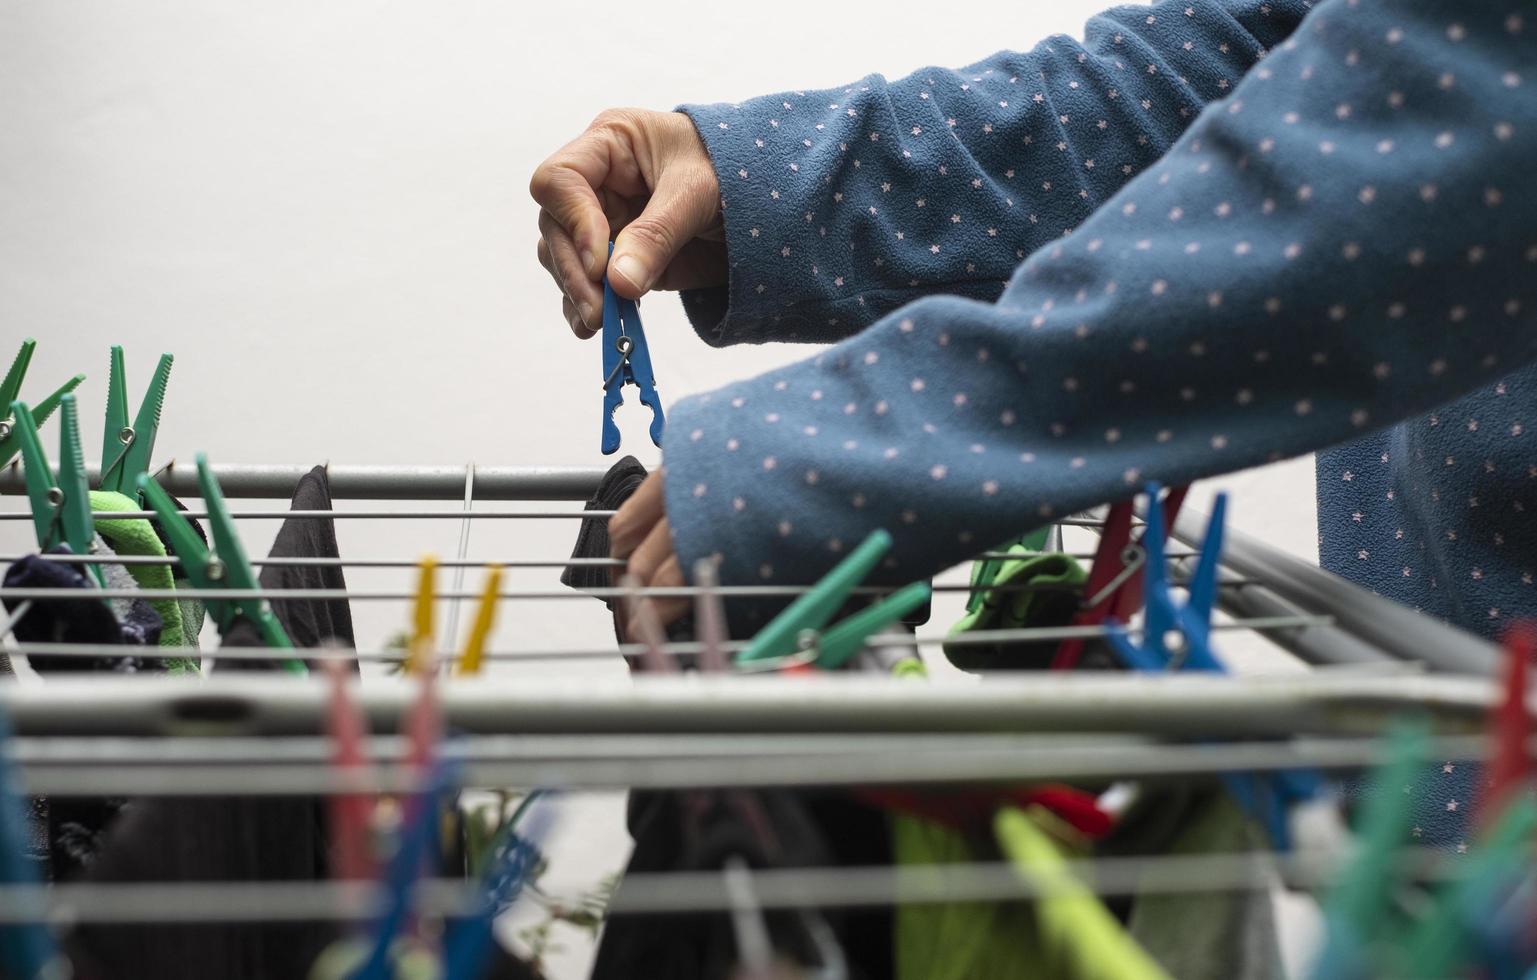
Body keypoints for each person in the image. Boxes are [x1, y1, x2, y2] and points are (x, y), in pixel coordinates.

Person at [534, 3, 1531, 695]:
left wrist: (863, 447)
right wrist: (760, 185)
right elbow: (1255, 71)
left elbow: (1432, 153)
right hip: (1456, 792)